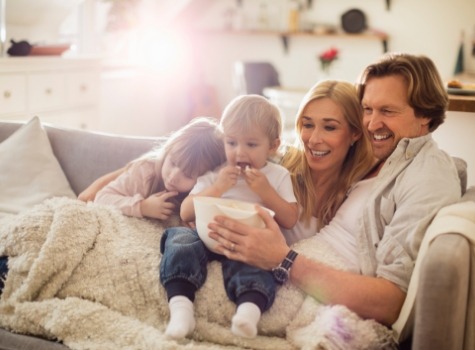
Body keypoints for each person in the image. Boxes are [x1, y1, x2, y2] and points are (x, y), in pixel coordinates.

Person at [206, 52, 462, 336]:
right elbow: (231, 145)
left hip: (286, 282)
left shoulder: (428, 174)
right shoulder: (379, 163)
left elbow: (391, 301)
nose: (372, 123)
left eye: (387, 111)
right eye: (367, 109)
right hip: (279, 269)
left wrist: (282, 258)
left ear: (425, 114)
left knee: (182, 287)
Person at [160, 94, 299, 340]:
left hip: (248, 244)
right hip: (207, 235)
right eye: (232, 142)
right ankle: (181, 308)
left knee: (258, 267)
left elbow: (290, 219)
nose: (239, 152)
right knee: (179, 239)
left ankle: (248, 312)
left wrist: (265, 191)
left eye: (251, 144)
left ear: (273, 145)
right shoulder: (216, 173)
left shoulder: (277, 176)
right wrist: (218, 188)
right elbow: (185, 212)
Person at [92, 116, 227, 221]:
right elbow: (101, 198)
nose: (173, 177)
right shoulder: (145, 171)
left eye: (187, 175)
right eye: (173, 162)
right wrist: (143, 207)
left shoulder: (203, 190)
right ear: (168, 149)